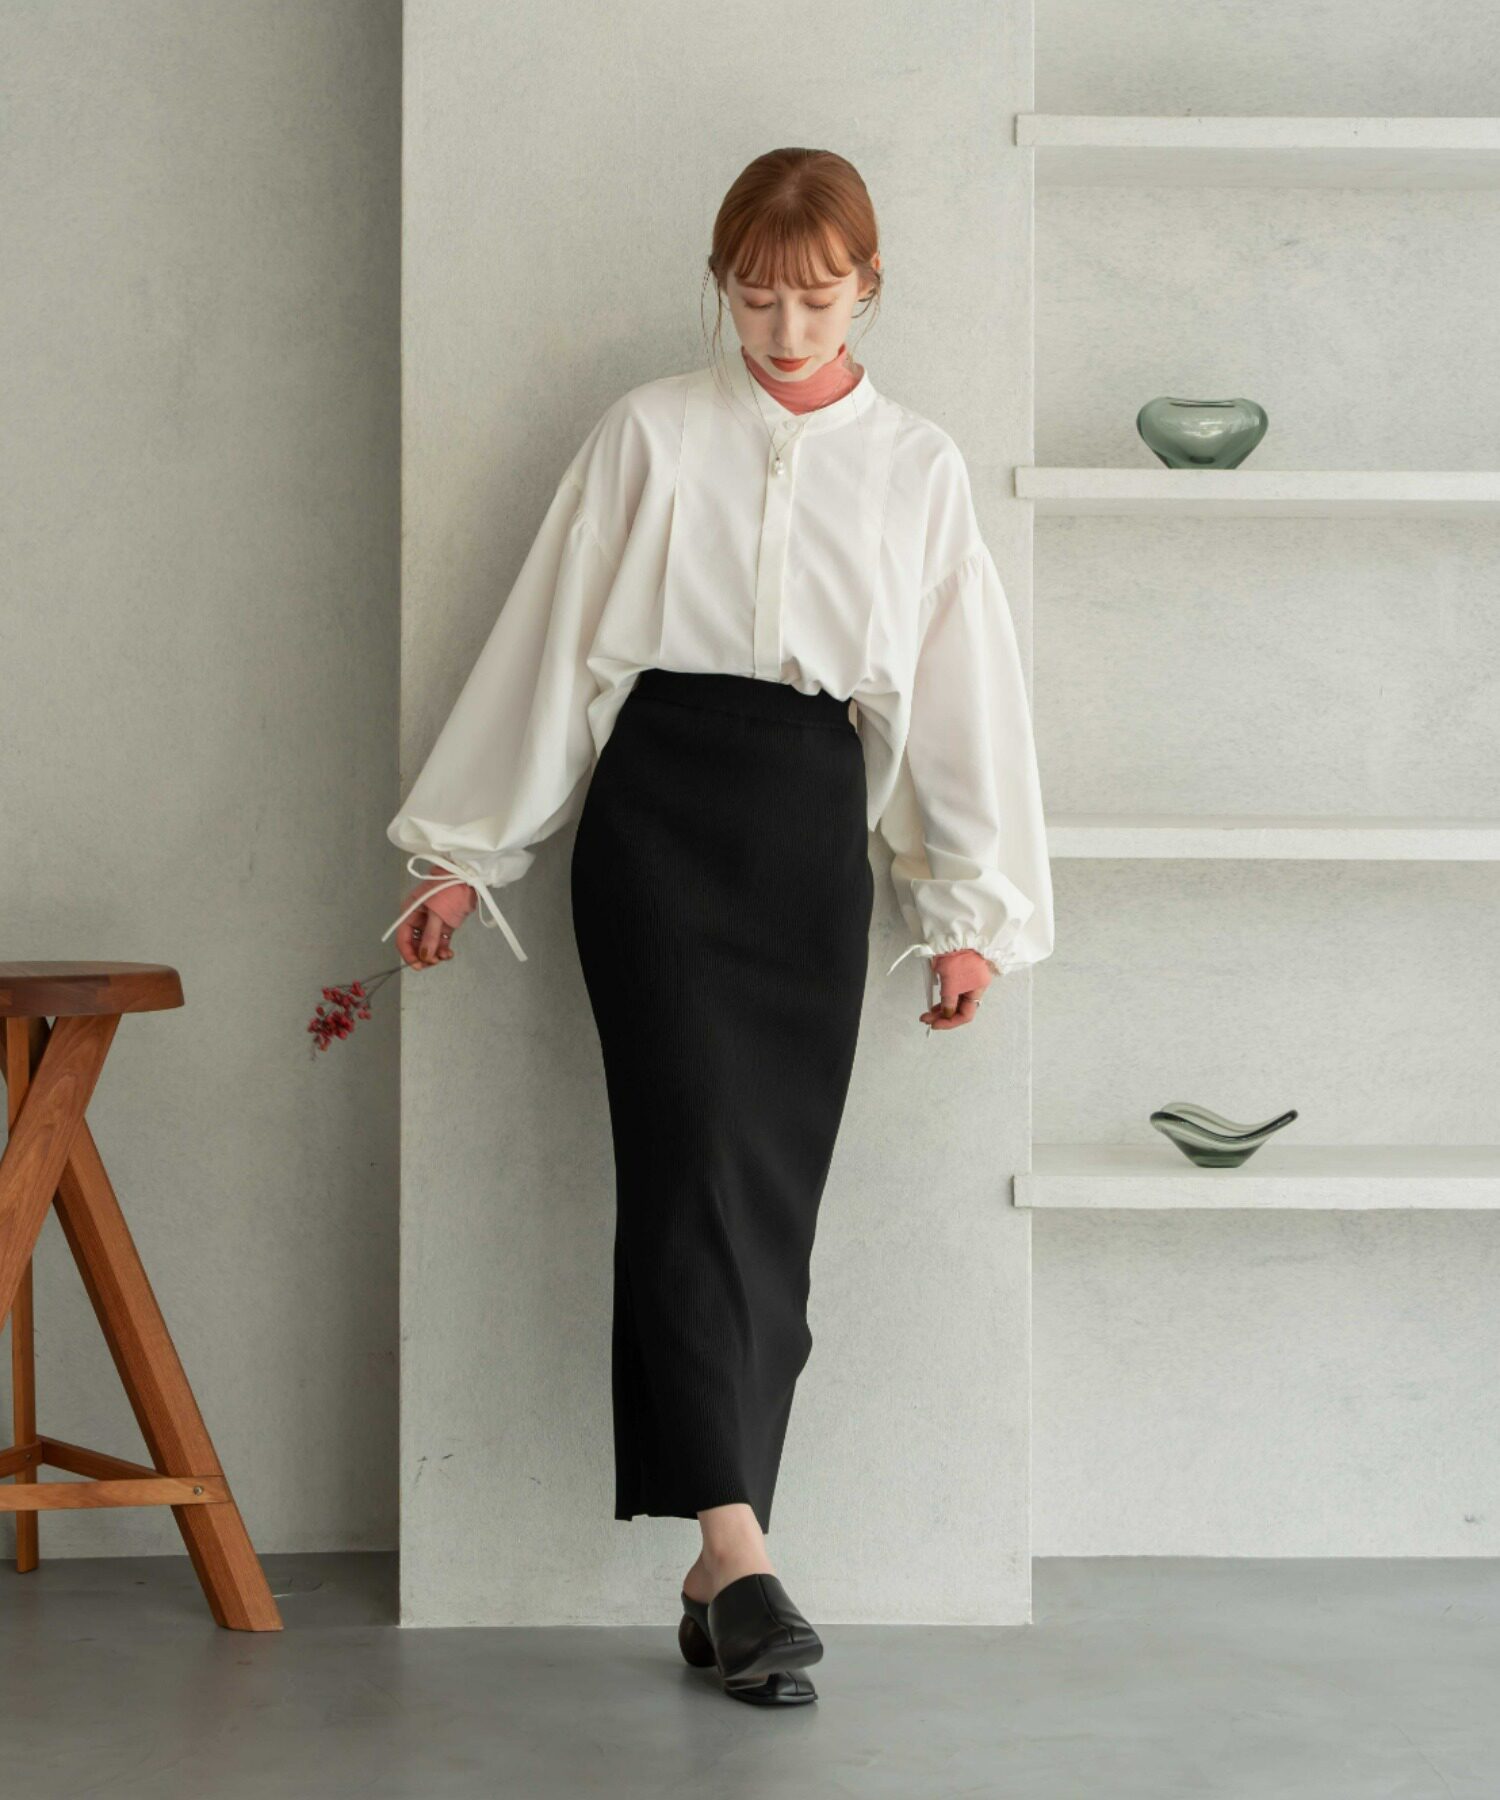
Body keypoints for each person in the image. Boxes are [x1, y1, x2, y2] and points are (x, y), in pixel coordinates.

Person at [381, 148, 1055, 1707]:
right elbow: (555, 648)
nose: (784, 329)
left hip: (810, 832)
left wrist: (969, 913)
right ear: (721, 288)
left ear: (868, 289)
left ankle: (714, 1572)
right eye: (754, 299)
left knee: (769, 1205)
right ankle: (743, 1555)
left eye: (816, 299)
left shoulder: (920, 467)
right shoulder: (650, 434)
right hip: (658, 827)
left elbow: (961, 702)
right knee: (689, 1166)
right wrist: (465, 854)